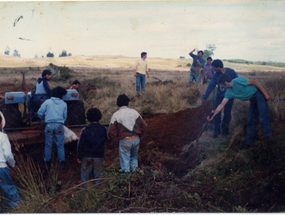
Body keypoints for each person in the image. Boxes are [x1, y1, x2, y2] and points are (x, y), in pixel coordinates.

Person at [207, 74, 272, 149]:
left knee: (263, 118)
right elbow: (221, 105)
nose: (221, 87)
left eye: (221, 85)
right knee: (250, 121)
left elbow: (254, 82)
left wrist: (266, 94)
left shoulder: (237, 81)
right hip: (252, 100)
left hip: (258, 96)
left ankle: (268, 142)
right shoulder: (229, 92)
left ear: (225, 82)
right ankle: (249, 144)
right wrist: (212, 116)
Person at [108, 94, 147, 172]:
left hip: (124, 141)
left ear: (118, 103)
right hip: (136, 140)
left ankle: (126, 181)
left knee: (125, 163)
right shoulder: (134, 112)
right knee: (134, 159)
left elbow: (111, 131)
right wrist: (140, 136)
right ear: (128, 103)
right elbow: (144, 126)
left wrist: (117, 141)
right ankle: (135, 178)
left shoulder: (116, 115)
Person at [201, 59, 238, 138]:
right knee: (216, 113)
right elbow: (210, 86)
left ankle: (225, 130)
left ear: (218, 67)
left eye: (214, 68)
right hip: (219, 96)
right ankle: (216, 131)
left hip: (230, 97)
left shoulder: (231, 72)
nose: (213, 70)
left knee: (227, 113)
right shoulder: (215, 75)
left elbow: (237, 81)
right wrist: (204, 97)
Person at [37, 87, 67, 170]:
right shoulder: (64, 104)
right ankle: (62, 164)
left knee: (48, 145)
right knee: (60, 145)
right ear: (61, 95)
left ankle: (47, 164)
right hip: (59, 126)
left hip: (49, 126)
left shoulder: (47, 102)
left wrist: (44, 117)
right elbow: (65, 117)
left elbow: (40, 113)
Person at [77, 108, 107, 187]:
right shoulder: (103, 129)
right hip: (98, 157)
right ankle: (98, 197)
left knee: (84, 180)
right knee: (98, 179)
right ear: (99, 117)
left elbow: (80, 144)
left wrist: (79, 156)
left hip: (87, 157)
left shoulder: (85, 130)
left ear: (88, 118)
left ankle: (83, 196)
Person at [0, 115, 22, 210]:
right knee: (8, 186)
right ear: (0, 125)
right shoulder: (3, 136)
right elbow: (8, 154)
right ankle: (15, 204)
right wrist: (13, 165)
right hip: (1, 167)